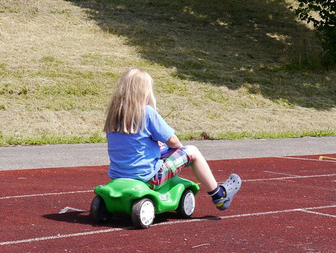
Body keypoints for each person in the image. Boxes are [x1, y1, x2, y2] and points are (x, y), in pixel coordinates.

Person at [103, 68, 241, 210]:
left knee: (161, 148)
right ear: (144, 92)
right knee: (193, 151)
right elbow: (173, 141)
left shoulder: (113, 115)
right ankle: (219, 195)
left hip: (118, 175)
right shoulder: (147, 112)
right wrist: (180, 149)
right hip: (149, 177)